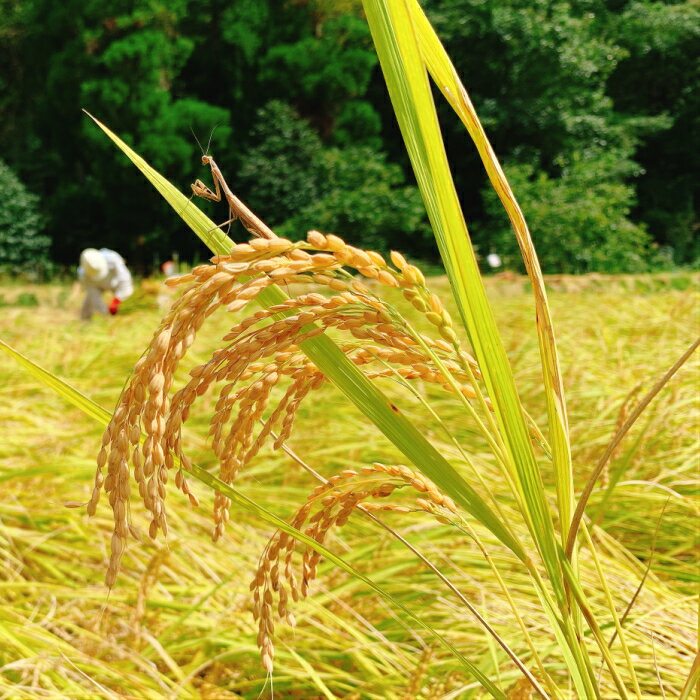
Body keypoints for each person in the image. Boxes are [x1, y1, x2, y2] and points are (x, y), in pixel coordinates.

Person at [78, 248, 134, 320]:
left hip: (115, 284)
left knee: (129, 296)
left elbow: (125, 281)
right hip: (97, 287)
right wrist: (105, 312)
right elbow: (94, 296)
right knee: (87, 305)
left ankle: (130, 318)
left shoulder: (113, 258)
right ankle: (84, 325)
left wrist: (117, 300)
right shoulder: (83, 275)